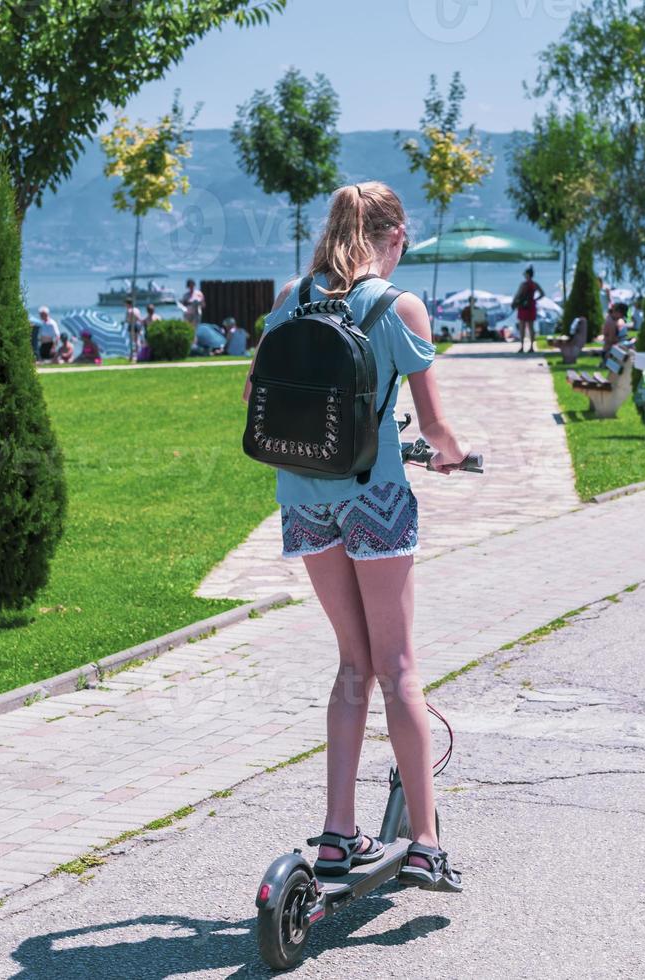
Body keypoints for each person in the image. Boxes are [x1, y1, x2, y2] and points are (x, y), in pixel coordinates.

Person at [243, 180, 467, 892]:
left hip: (304, 498)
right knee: (398, 668)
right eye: (403, 244)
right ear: (392, 237)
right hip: (375, 500)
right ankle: (426, 842)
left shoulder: (290, 299)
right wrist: (455, 454)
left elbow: (255, 397)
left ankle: (338, 834)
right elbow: (432, 428)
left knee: (351, 665)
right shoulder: (396, 306)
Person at [512, 266, 545, 352]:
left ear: (527, 275)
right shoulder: (535, 284)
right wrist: (535, 299)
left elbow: (518, 295)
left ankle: (522, 346)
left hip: (523, 307)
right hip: (531, 306)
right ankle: (531, 347)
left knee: (522, 327)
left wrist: (514, 303)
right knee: (531, 327)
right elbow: (542, 294)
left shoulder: (523, 284)